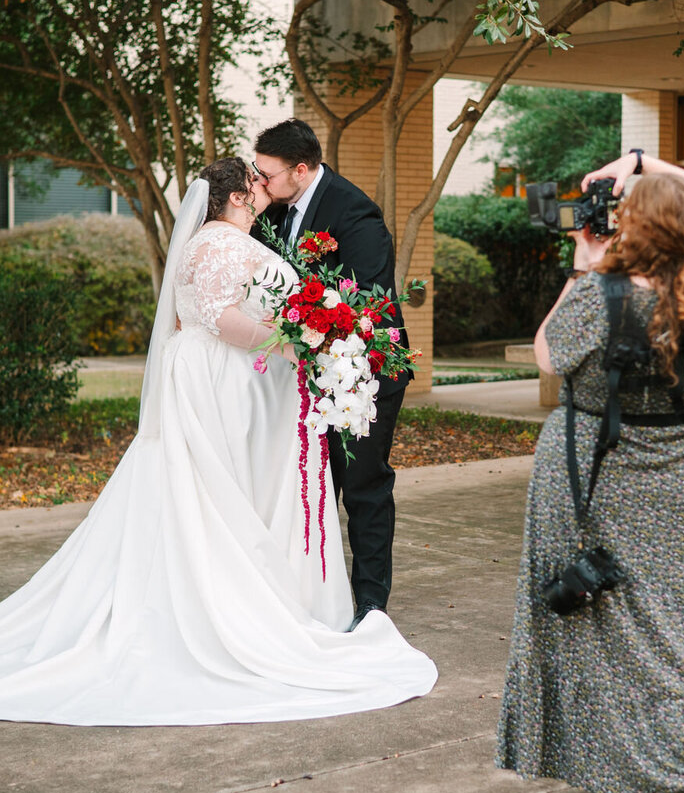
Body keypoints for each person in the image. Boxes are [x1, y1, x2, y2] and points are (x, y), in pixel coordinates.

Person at [0, 157, 436, 725]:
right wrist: (291, 344)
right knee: (218, 490)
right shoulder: (224, 244)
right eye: (255, 184)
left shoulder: (210, 241)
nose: (263, 190)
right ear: (234, 197)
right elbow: (223, 320)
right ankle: (230, 606)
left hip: (216, 374)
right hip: (225, 381)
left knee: (211, 489)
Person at [496, 150, 684, 793]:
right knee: (683, 626)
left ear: (626, 227)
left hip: (593, 478)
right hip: (681, 475)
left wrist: (584, 262)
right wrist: (651, 163)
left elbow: (547, 356)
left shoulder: (601, 292)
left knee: (598, 627)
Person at [252, 120, 409, 630]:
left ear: (301, 170)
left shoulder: (353, 210)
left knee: (362, 485)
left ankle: (370, 605)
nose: (260, 180)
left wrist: (308, 319)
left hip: (360, 374)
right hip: (300, 376)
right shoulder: (274, 207)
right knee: (308, 487)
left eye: (268, 173)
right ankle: (313, 595)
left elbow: (370, 298)